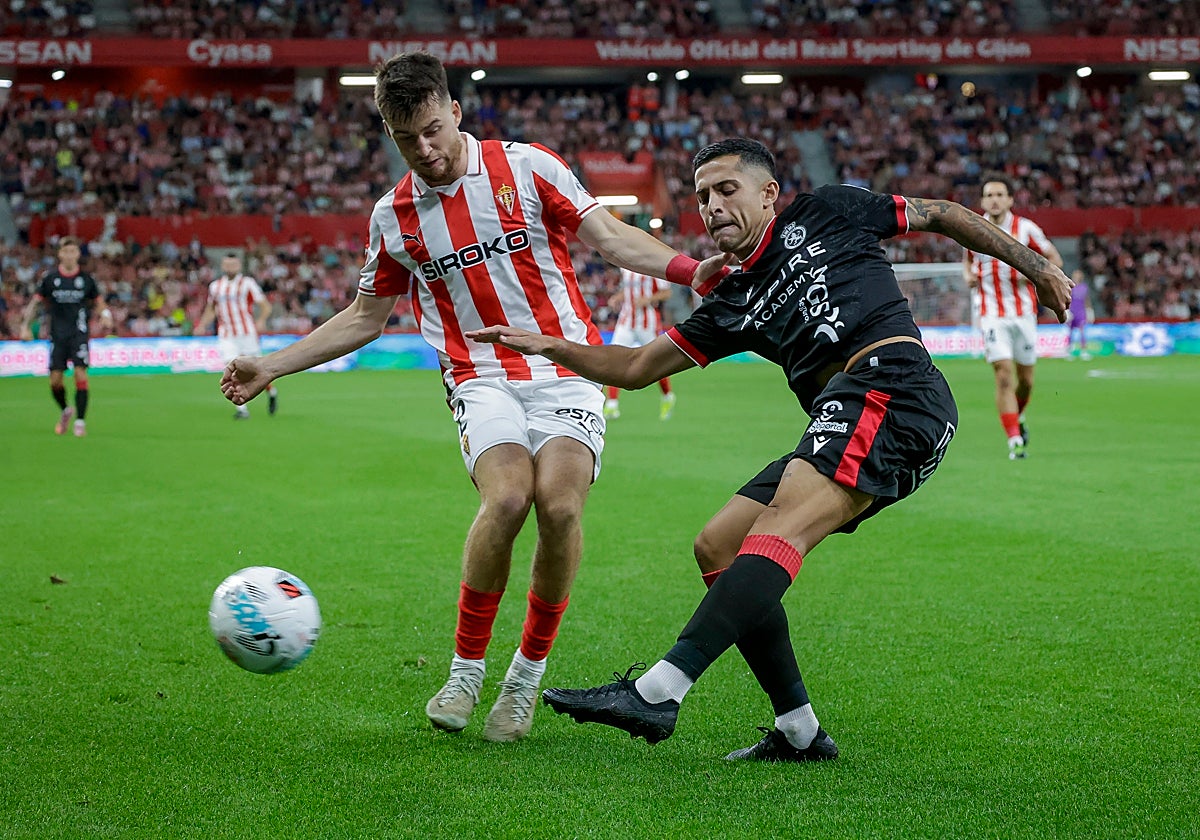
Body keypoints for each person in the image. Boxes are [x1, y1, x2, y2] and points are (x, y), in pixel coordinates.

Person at [468, 138, 1072, 761]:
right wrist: (549, 345)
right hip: (846, 413)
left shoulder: (829, 210)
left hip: (893, 387)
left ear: (768, 193)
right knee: (720, 544)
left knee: (780, 528)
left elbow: (942, 213)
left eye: (726, 189)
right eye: (702, 197)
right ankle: (800, 731)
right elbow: (637, 366)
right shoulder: (733, 299)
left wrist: (1038, 266)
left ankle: (658, 691)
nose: (711, 206)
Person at [218, 51, 719, 743]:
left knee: (561, 503)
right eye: (405, 139)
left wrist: (690, 269)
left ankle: (524, 677)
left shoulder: (528, 166)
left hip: (565, 364)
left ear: (455, 112)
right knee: (509, 498)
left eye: (432, 130)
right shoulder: (394, 217)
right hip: (478, 376)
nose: (424, 151)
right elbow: (365, 318)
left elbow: (607, 237)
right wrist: (274, 364)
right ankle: (465, 670)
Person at [962, 175, 1064, 460]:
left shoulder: (1026, 229)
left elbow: (1055, 260)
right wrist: (969, 276)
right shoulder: (972, 229)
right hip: (992, 314)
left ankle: (1016, 418)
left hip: (1024, 315)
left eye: (999, 194)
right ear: (983, 201)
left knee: (1027, 381)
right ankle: (1014, 440)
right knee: (1004, 375)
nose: (994, 199)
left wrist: (1034, 275)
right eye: (989, 195)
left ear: (1009, 199)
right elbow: (967, 263)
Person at [21, 237, 112, 437]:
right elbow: (35, 303)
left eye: (73, 251)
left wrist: (106, 316)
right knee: (55, 381)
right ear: (60, 254)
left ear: (78, 254)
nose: (70, 255)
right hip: (57, 336)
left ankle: (80, 421)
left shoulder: (86, 280)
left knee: (80, 373)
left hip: (79, 334)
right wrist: (25, 327)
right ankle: (65, 410)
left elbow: (99, 302)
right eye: (66, 251)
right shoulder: (50, 278)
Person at [196, 253, 277, 419]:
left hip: (246, 333)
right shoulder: (215, 286)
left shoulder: (247, 283)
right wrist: (202, 324)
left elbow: (265, 306)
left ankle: (272, 392)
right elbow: (212, 309)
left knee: (256, 370)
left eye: (233, 265)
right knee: (232, 369)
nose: (230, 268)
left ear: (238, 266)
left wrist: (261, 320)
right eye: (227, 265)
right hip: (227, 335)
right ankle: (242, 410)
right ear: (223, 266)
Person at [603, 267, 676, 420]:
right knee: (615, 359)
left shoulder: (651, 267)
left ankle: (667, 395)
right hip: (626, 320)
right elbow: (630, 292)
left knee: (655, 362)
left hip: (647, 323)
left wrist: (647, 299)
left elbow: (667, 293)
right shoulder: (625, 267)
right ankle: (612, 404)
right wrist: (618, 297)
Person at [1065, 269, 1094, 360]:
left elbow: (1086, 300)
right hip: (1072, 311)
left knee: (1082, 331)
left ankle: (1083, 351)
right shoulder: (1070, 287)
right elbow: (1066, 299)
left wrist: (1089, 311)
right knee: (1070, 331)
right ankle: (1069, 350)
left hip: (1080, 311)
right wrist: (1067, 311)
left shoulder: (1084, 287)